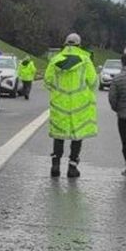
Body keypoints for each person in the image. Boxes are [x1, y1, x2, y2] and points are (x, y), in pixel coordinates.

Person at [43, 32, 97, 178]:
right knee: (77, 137)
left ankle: (55, 165)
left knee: (58, 135)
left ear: (65, 44)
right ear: (79, 45)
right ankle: (72, 168)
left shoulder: (55, 60)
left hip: (60, 104)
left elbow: (47, 81)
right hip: (79, 106)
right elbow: (93, 81)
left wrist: (58, 91)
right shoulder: (85, 61)